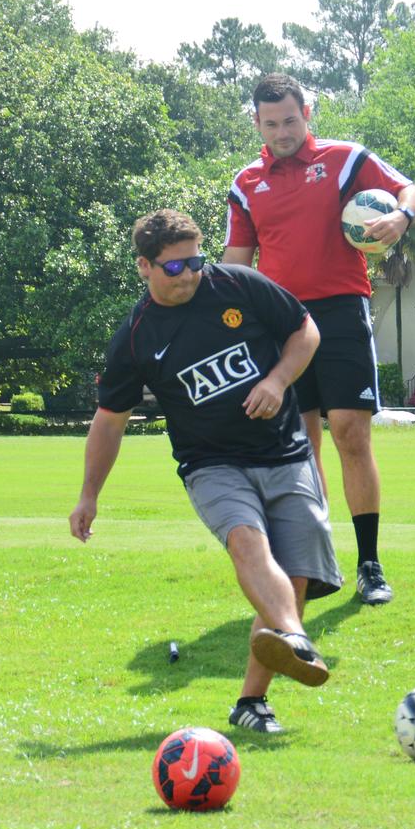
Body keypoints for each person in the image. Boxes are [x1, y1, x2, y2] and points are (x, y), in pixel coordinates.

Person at [69, 209, 342, 734]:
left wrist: (279, 381)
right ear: (144, 268)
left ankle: (251, 703)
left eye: (195, 261)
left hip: (285, 452)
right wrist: (89, 495)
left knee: (295, 574)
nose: (190, 274)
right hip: (212, 464)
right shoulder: (136, 336)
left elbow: (305, 331)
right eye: (174, 268)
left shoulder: (237, 284)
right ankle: (295, 636)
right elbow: (109, 421)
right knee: (247, 542)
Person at [223, 72, 415, 607]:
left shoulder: (345, 159)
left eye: (290, 119)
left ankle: (370, 565)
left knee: (350, 436)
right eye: (271, 123)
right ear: (257, 123)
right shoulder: (245, 184)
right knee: (302, 448)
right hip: (280, 324)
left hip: (340, 311)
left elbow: (413, 193)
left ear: (306, 113)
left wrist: (402, 217)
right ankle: (315, 564)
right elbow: (236, 266)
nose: (282, 131)